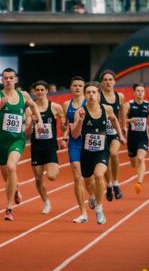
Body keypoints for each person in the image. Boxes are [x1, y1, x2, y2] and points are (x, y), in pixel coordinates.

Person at [0, 68, 43, 221]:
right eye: (5, 78)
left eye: (11, 77)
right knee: (7, 178)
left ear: (15, 79)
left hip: (17, 140)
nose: (8, 80)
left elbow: (33, 105)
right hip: (1, 143)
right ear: (2, 80)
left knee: (12, 167)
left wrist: (40, 120)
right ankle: (15, 187)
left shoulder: (23, 95)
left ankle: (9, 208)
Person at [71, 81, 124, 225]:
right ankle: (92, 196)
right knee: (89, 183)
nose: (91, 95)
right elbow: (75, 135)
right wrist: (80, 121)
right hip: (86, 153)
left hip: (102, 151)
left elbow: (114, 120)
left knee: (99, 175)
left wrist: (120, 135)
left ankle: (99, 209)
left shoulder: (106, 109)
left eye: (94, 92)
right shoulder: (79, 112)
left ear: (98, 95)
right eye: (88, 92)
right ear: (85, 95)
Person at [24, 80, 65, 214]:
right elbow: (27, 132)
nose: (40, 92)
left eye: (42, 90)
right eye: (38, 90)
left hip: (50, 146)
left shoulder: (55, 107)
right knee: (38, 178)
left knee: (52, 176)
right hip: (36, 147)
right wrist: (31, 124)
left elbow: (64, 124)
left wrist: (64, 130)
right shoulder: (30, 110)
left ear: (47, 91)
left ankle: (50, 164)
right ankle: (46, 202)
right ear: (34, 92)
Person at [62, 76, 92, 224]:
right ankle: (83, 212)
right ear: (71, 87)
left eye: (80, 85)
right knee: (77, 176)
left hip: (89, 143)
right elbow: (65, 125)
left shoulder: (90, 103)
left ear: (84, 88)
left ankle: (92, 195)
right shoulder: (66, 105)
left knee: (89, 178)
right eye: (75, 85)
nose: (78, 88)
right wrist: (63, 131)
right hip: (74, 143)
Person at [123, 82, 149, 194]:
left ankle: (139, 182)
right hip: (131, 138)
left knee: (140, 158)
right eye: (138, 91)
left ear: (144, 92)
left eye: (142, 91)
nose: (140, 93)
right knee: (134, 163)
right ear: (134, 92)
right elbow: (121, 119)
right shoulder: (128, 105)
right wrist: (129, 121)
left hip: (143, 137)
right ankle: (135, 165)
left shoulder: (148, 105)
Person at [100, 70, 126, 202]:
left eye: (110, 79)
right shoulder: (98, 96)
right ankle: (109, 185)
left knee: (114, 154)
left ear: (114, 81)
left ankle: (115, 183)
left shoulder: (119, 96)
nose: (108, 82)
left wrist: (124, 126)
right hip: (101, 134)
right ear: (102, 83)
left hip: (114, 132)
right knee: (104, 161)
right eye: (105, 80)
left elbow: (122, 111)